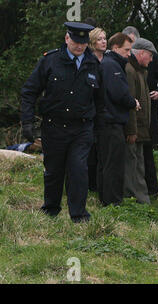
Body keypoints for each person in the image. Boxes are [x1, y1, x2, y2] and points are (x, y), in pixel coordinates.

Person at [20, 22, 102, 223]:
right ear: (67, 39)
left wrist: (99, 128)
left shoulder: (94, 64)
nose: (79, 46)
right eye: (75, 42)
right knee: (54, 170)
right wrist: (27, 122)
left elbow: (101, 99)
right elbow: (30, 91)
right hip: (54, 126)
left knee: (78, 169)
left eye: (83, 43)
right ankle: (51, 209)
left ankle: (79, 214)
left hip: (81, 128)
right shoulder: (50, 61)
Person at [122, 26, 158, 200]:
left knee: (146, 154)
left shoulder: (150, 61)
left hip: (148, 113)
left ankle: (150, 190)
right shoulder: (127, 65)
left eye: (131, 42)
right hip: (134, 116)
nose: (129, 47)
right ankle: (136, 193)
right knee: (133, 155)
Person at [96, 33, 141, 206]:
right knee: (113, 164)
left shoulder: (109, 63)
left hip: (107, 120)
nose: (129, 54)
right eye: (126, 50)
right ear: (115, 48)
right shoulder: (111, 65)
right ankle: (112, 202)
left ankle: (105, 200)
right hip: (111, 121)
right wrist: (132, 102)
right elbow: (118, 92)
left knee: (105, 163)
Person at [123, 38, 155, 204]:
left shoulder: (141, 71)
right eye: (149, 56)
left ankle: (140, 199)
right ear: (141, 53)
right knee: (132, 164)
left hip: (141, 129)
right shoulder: (130, 71)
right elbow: (130, 103)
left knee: (138, 163)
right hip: (134, 129)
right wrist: (132, 130)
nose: (151, 60)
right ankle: (133, 200)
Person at [86, 27, 107, 192]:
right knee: (90, 149)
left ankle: (98, 183)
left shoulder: (108, 60)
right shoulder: (88, 61)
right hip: (91, 108)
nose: (104, 41)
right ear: (92, 42)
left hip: (105, 110)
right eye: (100, 39)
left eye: (105, 38)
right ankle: (89, 183)